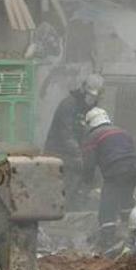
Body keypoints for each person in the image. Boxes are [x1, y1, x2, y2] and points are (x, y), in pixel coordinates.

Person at [81, 107, 136, 250]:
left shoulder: (93, 136)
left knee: (107, 204)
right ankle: (132, 232)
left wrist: (86, 183)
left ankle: (107, 240)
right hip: (134, 168)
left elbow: (89, 164)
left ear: (90, 123)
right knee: (126, 199)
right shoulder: (122, 131)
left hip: (116, 169)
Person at [44, 73, 105, 210]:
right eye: (90, 96)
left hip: (76, 155)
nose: (92, 100)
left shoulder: (91, 109)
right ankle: (55, 214)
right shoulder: (69, 105)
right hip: (58, 153)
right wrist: (79, 155)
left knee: (75, 188)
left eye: (95, 98)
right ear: (83, 90)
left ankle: (69, 212)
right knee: (59, 188)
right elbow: (66, 134)